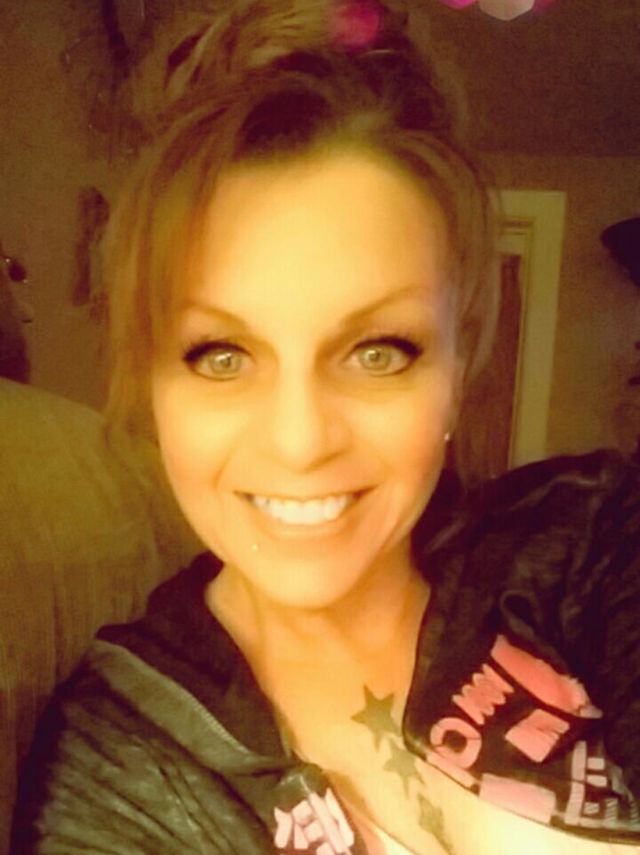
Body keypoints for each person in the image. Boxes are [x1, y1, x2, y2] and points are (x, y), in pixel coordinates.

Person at [11, 1, 640, 853]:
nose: (301, 440)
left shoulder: (595, 543)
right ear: (152, 383)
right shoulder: (120, 760)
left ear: (459, 363)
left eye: (377, 351)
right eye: (222, 355)